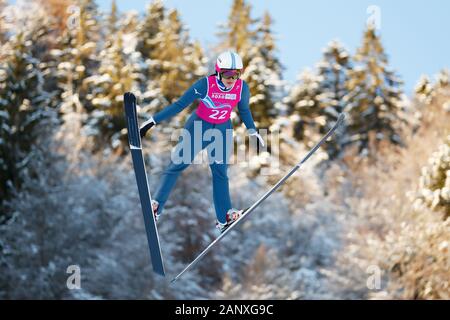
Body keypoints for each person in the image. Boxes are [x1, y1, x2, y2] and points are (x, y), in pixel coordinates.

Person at [139, 51, 264, 233]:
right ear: (218, 71)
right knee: (178, 164)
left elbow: (244, 110)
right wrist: (152, 121)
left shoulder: (242, 88)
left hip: (222, 130)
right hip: (199, 127)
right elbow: (179, 105)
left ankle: (224, 218)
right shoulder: (205, 84)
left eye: (236, 74)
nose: (231, 79)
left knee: (220, 173)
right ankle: (156, 205)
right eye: (227, 74)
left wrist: (254, 132)